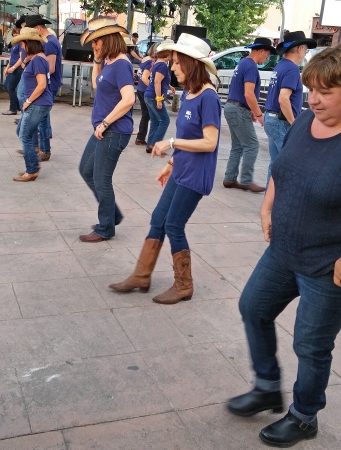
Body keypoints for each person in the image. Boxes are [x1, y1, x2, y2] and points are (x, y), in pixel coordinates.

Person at [227, 45, 341, 448]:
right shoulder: (305, 120)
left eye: (325, 91)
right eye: (311, 89)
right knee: (253, 307)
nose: (313, 99)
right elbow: (282, 167)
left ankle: (305, 415)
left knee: (310, 344)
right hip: (283, 248)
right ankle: (268, 387)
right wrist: (267, 205)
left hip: (327, 264)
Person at [109, 33, 221, 305]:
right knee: (158, 218)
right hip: (182, 169)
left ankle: (184, 285)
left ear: (191, 63)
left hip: (196, 175)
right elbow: (190, 135)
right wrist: (171, 163)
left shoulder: (208, 97)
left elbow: (209, 142)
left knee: (173, 224)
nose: (171, 68)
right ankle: (141, 275)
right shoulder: (190, 93)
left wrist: (171, 143)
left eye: (176, 62)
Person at [78, 18, 135, 243]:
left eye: (96, 43)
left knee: (101, 179)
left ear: (109, 41)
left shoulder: (122, 64)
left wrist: (105, 123)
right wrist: (96, 62)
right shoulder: (110, 62)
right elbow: (96, 85)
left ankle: (105, 228)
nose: (94, 46)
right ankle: (112, 215)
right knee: (86, 170)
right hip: (103, 130)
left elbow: (129, 99)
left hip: (113, 131)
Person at [223, 37, 276, 193]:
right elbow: (249, 94)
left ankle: (230, 178)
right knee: (252, 145)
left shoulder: (242, 63)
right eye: (267, 54)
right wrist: (259, 114)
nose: (267, 58)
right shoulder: (251, 66)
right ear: (261, 51)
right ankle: (246, 180)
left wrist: (251, 110)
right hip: (238, 109)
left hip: (231, 106)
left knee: (238, 146)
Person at [264, 31, 316, 184]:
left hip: (271, 118)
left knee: (275, 164)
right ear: (299, 48)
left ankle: (270, 203)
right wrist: (294, 123)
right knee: (291, 164)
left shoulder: (281, 65)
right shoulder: (292, 69)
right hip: (281, 122)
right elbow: (283, 99)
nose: (305, 53)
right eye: (306, 49)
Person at [12, 27, 53, 182]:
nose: (21, 46)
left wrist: (28, 101)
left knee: (25, 136)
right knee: (21, 132)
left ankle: (31, 170)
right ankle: (33, 164)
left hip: (37, 103)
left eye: (23, 43)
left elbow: (41, 85)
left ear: (29, 43)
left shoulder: (38, 60)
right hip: (37, 103)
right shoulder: (38, 58)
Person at [26, 14, 62, 162]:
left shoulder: (50, 43)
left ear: (38, 28)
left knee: (42, 120)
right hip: (47, 84)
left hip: (49, 85)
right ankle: (36, 148)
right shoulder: (48, 42)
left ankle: (45, 150)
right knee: (41, 119)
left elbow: (51, 68)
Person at [144, 44, 175, 153]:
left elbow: (159, 80)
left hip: (149, 95)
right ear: (167, 53)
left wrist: (169, 86)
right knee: (164, 120)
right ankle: (155, 145)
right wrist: (159, 99)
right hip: (154, 96)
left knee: (155, 121)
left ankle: (150, 145)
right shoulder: (162, 65)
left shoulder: (157, 63)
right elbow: (157, 81)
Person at [135, 42, 161, 146]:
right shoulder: (150, 62)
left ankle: (141, 137)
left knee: (146, 115)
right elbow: (144, 77)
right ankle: (141, 137)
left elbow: (139, 74)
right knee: (148, 116)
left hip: (141, 89)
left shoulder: (145, 58)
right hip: (145, 90)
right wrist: (153, 87)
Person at [2, 27, 23, 115]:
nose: (15, 34)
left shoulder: (21, 44)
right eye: (14, 33)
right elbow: (12, 57)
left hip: (17, 68)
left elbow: (22, 58)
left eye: (17, 33)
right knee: (7, 86)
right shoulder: (14, 44)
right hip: (12, 67)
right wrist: (7, 67)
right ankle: (17, 106)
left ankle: (13, 108)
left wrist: (13, 67)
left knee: (10, 87)